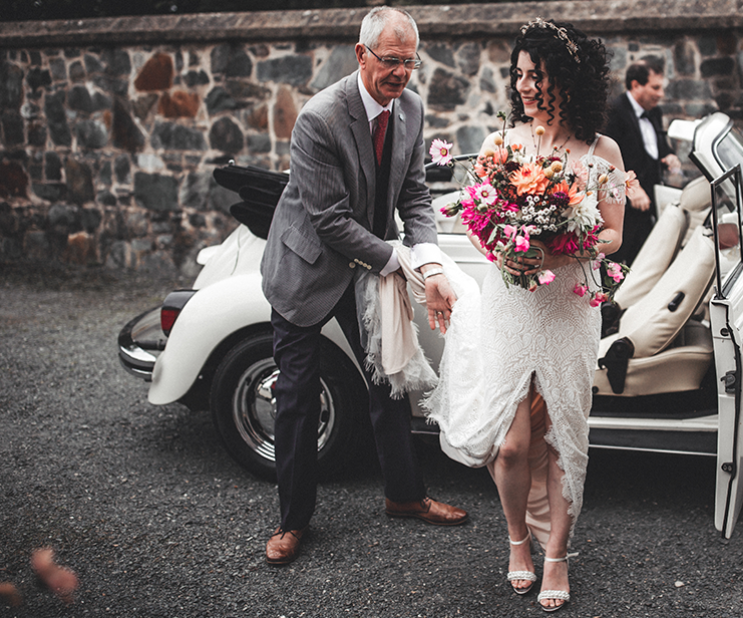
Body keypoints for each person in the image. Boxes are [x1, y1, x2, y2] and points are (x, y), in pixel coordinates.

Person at [423, 18, 625, 612]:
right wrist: (508, 246)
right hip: (512, 301)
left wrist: (565, 244)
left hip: (568, 306)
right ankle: (517, 542)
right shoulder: (501, 146)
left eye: (535, 75)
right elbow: (480, 222)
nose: (526, 86)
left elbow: (613, 235)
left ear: (566, 77)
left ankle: (557, 554)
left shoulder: (601, 151)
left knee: (564, 434)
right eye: (519, 75)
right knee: (511, 445)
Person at [259, 6, 468, 567]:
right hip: (306, 268)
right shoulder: (320, 117)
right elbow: (329, 220)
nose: (401, 73)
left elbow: (416, 197)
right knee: (298, 399)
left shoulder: (412, 109)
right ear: (361, 55)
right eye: (390, 60)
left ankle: (404, 495)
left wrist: (429, 258)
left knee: (390, 377)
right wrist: (398, 259)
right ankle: (292, 522)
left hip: (369, 265)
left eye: (409, 62)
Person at [602, 58, 683, 265]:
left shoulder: (654, 111)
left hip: (650, 201)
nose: (661, 94)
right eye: (655, 87)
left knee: (647, 262)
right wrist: (630, 188)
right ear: (636, 85)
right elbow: (605, 159)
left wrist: (670, 155)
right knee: (618, 263)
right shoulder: (613, 111)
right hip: (624, 207)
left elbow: (658, 144)